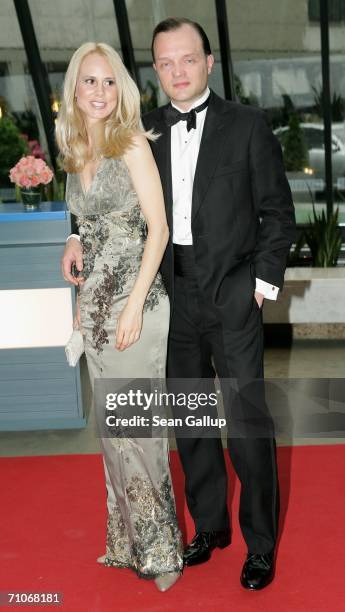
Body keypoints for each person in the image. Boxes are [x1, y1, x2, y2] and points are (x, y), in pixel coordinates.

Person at [62, 19, 296, 590]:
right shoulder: (143, 132)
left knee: (245, 424)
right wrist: (74, 233)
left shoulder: (247, 126)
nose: (176, 72)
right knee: (191, 424)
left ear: (209, 63)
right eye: (164, 63)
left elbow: (277, 212)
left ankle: (259, 544)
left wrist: (260, 284)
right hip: (171, 297)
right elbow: (105, 201)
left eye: (187, 59)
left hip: (234, 294)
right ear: (154, 69)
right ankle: (210, 527)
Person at [56, 42, 183, 592]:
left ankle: (163, 553)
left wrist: (134, 304)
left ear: (121, 89)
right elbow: (81, 215)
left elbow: (159, 228)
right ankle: (129, 540)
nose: (100, 91)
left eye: (110, 82)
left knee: (139, 430)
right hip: (95, 313)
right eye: (90, 81)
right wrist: (70, 239)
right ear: (75, 90)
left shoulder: (131, 143)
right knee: (114, 432)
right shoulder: (76, 146)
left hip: (138, 308)